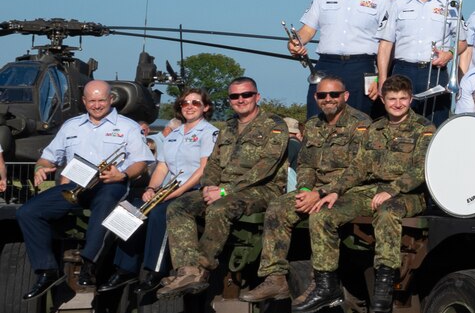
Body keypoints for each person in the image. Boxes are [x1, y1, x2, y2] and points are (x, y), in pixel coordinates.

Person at [293, 76, 434, 313]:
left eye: (402, 99)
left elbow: (421, 168)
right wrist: (333, 191)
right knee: (323, 213)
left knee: (387, 212)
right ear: (383, 99)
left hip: (408, 194)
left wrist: (392, 189)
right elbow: (358, 167)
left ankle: (385, 281)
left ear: (410, 99)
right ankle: (326, 285)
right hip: (369, 190)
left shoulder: (424, 129)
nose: (397, 104)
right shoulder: (374, 129)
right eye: (392, 99)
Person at [240, 76, 372, 304]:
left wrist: (320, 194)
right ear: (316, 98)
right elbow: (306, 164)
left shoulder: (361, 124)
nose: (328, 99)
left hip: (348, 191)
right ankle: (275, 278)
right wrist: (304, 189)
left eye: (334, 95)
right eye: (322, 95)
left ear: (345, 96)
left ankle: (321, 282)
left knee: (321, 216)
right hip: (315, 190)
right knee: (278, 207)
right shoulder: (312, 125)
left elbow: (358, 170)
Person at [17, 79, 154, 299]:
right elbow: (47, 158)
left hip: (110, 184)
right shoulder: (71, 126)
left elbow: (140, 162)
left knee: (105, 204)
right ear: (84, 101)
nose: (97, 105)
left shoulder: (128, 126)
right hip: (76, 185)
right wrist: (39, 169)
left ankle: (90, 263)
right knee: (27, 212)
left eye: (101, 100)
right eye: (92, 100)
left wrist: (123, 174)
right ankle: (47, 270)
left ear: (111, 99)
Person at [158, 78, 294, 295]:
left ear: (257, 97)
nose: (241, 100)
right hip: (223, 188)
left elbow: (265, 168)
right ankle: (187, 269)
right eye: (234, 96)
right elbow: (213, 162)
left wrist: (225, 191)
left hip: (263, 189)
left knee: (219, 208)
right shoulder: (228, 127)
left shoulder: (274, 125)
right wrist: (209, 186)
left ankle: (203, 267)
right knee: (179, 206)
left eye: (246, 95)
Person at [134, 88, 217, 290]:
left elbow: (203, 168)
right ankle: (125, 268)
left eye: (195, 103)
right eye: (185, 103)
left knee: (162, 213)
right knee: (133, 211)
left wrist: (177, 193)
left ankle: (155, 270)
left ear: (205, 107)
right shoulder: (173, 134)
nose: (189, 106)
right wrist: (152, 188)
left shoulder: (209, 133)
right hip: (167, 189)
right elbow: (162, 166)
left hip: (194, 189)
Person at [290, 0, 391, 108]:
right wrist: (295, 42)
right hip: (326, 65)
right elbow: (307, 30)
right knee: (317, 122)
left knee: (359, 125)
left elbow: (385, 45)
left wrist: (379, 79)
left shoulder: (382, 1)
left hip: (362, 68)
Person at [377, 0, 453, 124]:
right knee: (398, 126)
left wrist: (449, 53)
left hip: (435, 73)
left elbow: (462, 42)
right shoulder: (398, 3)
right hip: (402, 70)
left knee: (435, 126)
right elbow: (385, 44)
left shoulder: (449, 2)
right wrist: (382, 79)